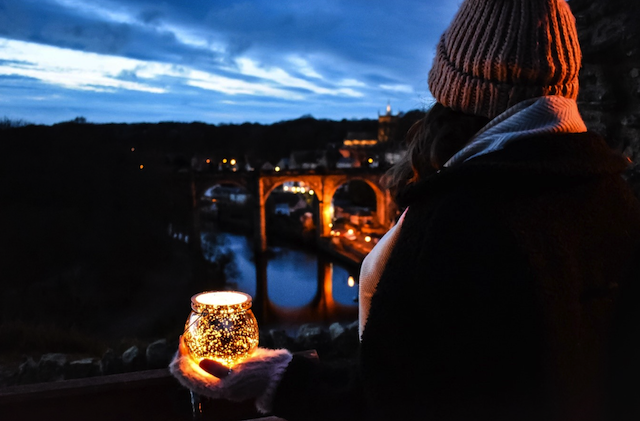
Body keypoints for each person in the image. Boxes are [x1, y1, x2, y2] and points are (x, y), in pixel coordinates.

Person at [171, 0, 640, 420]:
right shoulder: (616, 200)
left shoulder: (458, 219)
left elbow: (398, 399)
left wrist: (279, 380)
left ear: (457, 93)